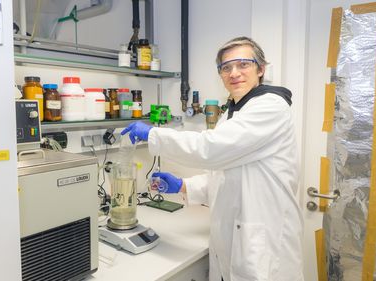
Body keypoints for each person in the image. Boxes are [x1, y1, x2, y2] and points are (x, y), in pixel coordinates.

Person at [121, 37, 304, 281]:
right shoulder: (231, 113)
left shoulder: (270, 107)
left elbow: (211, 149)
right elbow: (224, 174)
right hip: (234, 242)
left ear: (261, 69)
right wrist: (184, 186)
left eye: (243, 64)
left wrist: (153, 134)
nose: (234, 73)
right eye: (226, 67)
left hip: (264, 248)